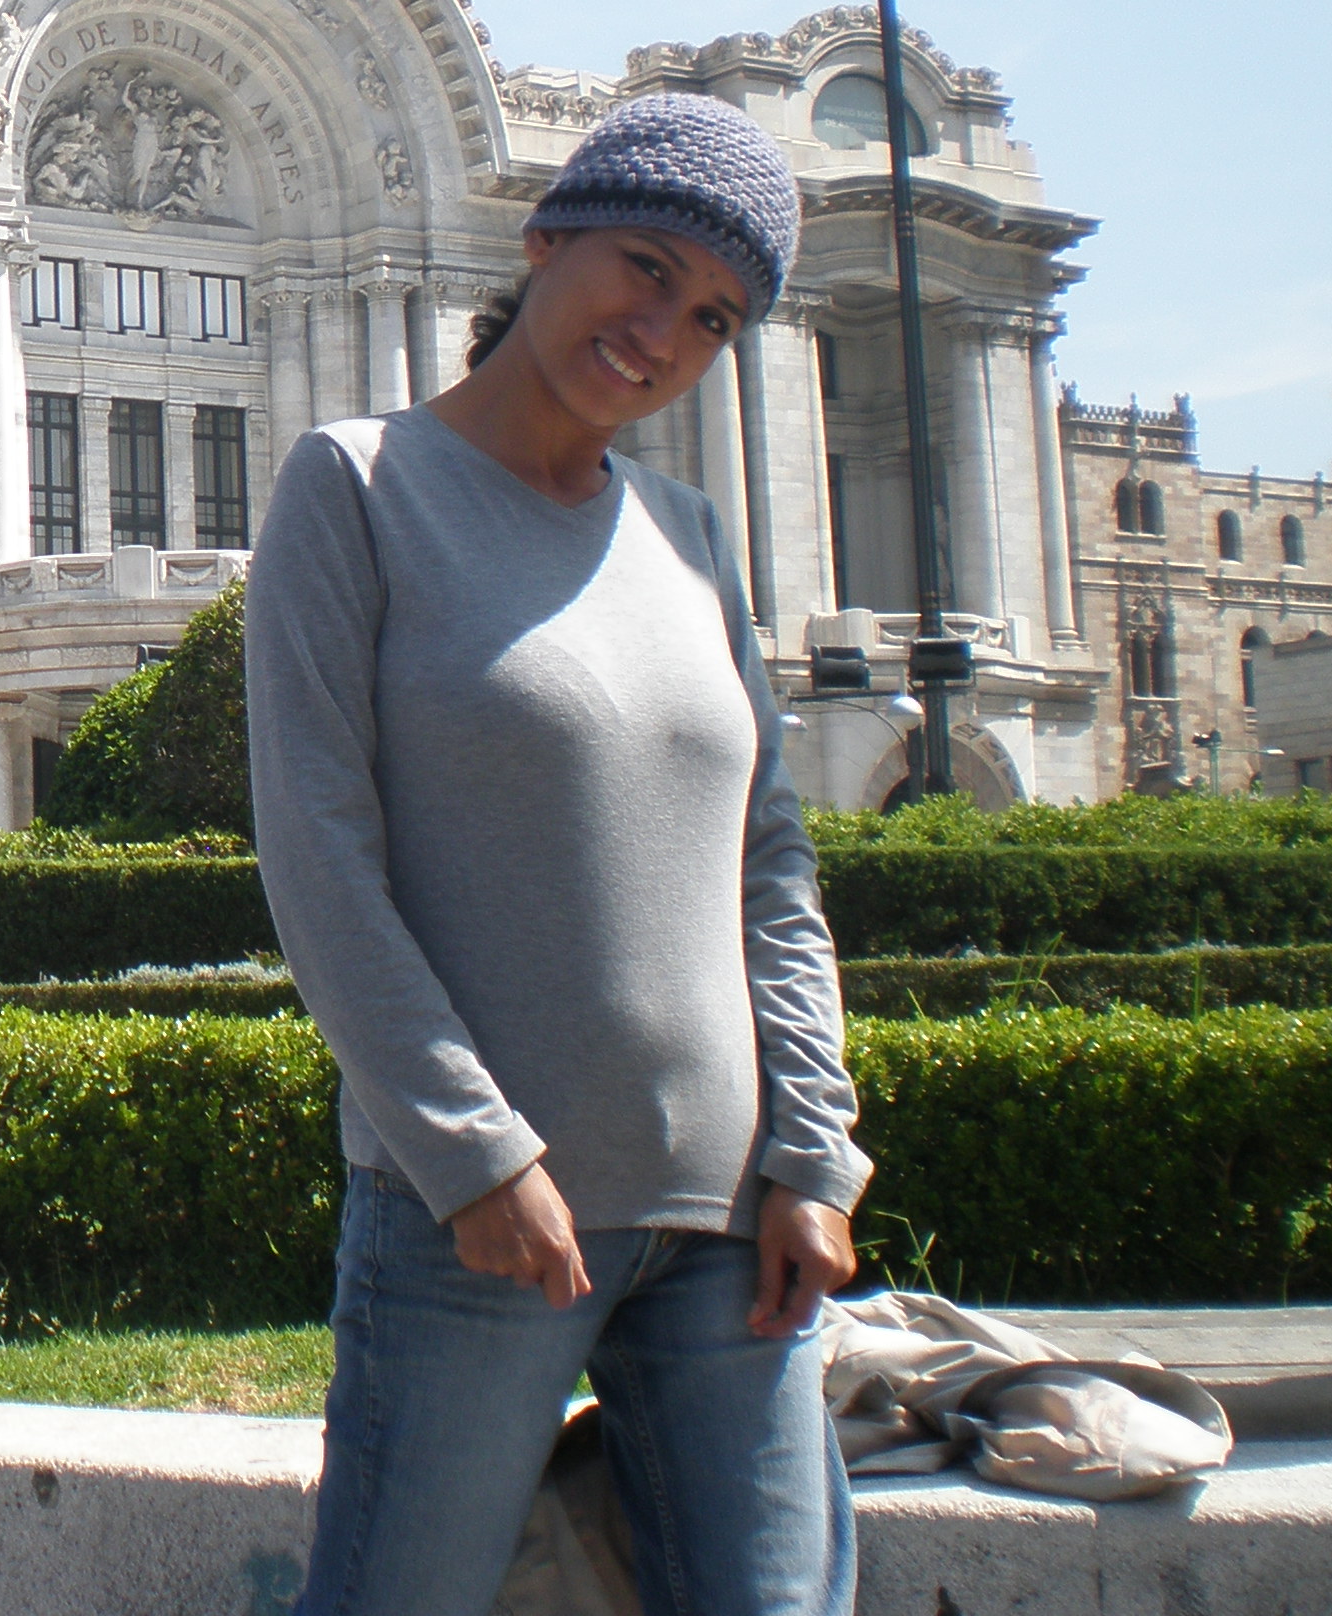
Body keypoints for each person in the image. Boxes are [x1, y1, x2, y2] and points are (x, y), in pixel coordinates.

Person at [246, 93, 872, 1616]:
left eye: (714, 315)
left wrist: (814, 1152)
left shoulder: (693, 536)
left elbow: (770, 874)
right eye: (646, 268)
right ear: (544, 243)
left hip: (736, 1230)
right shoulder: (358, 486)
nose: (663, 330)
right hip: (479, 1229)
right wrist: (471, 1154)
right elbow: (322, 864)